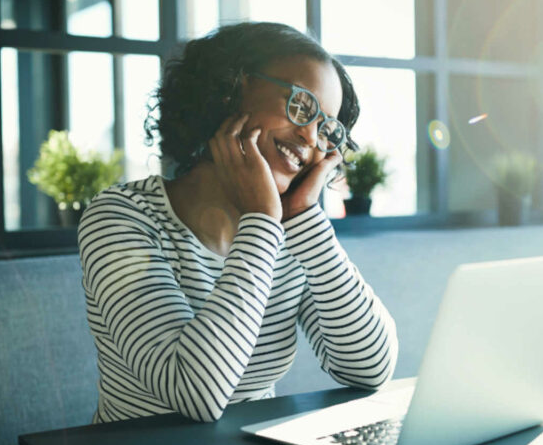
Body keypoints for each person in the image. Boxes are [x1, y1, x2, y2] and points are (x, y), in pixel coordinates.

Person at [77, 22, 398, 423]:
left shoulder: (289, 236)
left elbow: (370, 369)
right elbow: (194, 392)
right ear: (229, 90)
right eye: (300, 105)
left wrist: (304, 220)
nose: (311, 138)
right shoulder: (121, 218)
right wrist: (263, 221)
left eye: (327, 129)